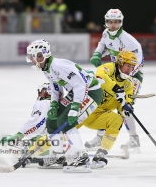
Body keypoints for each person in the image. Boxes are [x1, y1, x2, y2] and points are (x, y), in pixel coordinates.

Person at [26, 39, 103, 172]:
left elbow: (81, 83)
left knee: (65, 121)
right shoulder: (47, 68)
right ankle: (59, 154)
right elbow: (55, 87)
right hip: (77, 91)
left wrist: (75, 107)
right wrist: (54, 105)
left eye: (33, 56)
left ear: (41, 55)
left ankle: (81, 157)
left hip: (91, 91)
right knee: (52, 121)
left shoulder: (58, 66)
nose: (32, 60)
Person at [87, 9, 144, 153]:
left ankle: (134, 140)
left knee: (125, 108)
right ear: (106, 22)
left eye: (116, 22)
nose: (113, 25)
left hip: (131, 76)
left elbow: (139, 62)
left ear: (121, 22)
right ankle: (100, 136)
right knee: (103, 102)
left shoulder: (129, 42)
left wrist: (126, 79)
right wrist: (97, 54)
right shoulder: (106, 33)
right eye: (110, 22)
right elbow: (103, 44)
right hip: (115, 75)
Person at [79, 50, 137, 168]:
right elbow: (100, 77)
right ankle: (42, 150)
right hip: (84, 108)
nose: (129, 70)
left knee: (117, 120)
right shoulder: (107, 68)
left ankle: (100, 155)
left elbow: (127, 100)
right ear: (120, 63)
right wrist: (116, 88)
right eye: (127, 66)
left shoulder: (128, 84)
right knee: (62, 130)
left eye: (132, 67)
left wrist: (126, 108)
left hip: (99, 116)